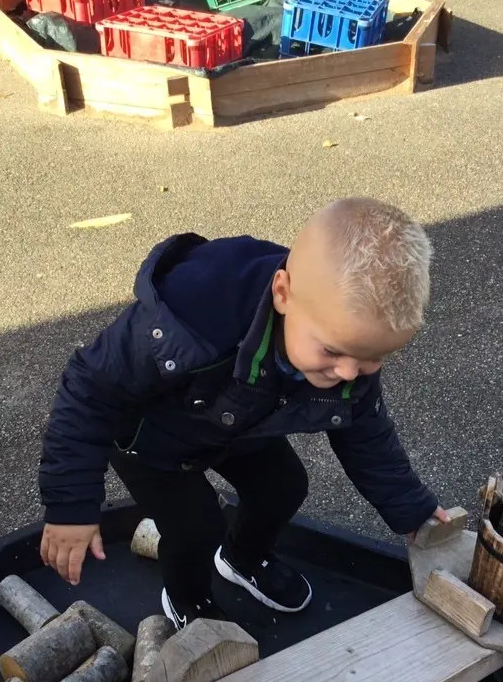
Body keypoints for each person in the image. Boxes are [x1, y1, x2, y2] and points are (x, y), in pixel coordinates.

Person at [38, 198, 450, 630]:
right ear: (283, 293)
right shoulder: (192, 318)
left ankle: (242, 558)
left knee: (284, 486)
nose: (348, 372)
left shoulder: (345, 339)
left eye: (372, 359)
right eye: (331, 350)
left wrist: (411, 510)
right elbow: (90, 386)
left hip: (238, 421)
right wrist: (70, 506)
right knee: (196, 527)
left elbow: (366, 434)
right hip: (153, 439)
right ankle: (188, 599)